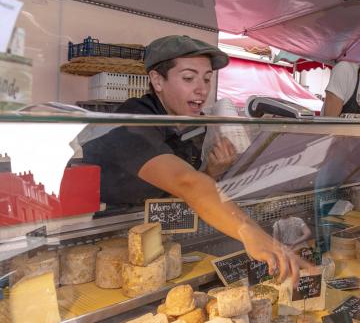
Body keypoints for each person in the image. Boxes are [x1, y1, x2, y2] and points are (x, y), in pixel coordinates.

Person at [79, 35, 305, 282]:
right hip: (109, 238)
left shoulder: (190, 123)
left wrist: (210, 171)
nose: (202, 89)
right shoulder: (132, 122)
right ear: (157, 80)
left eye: (207, 79)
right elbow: (186, 182)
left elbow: (180, 190)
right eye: (188, 78)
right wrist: (248, 231)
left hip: (160, 232)